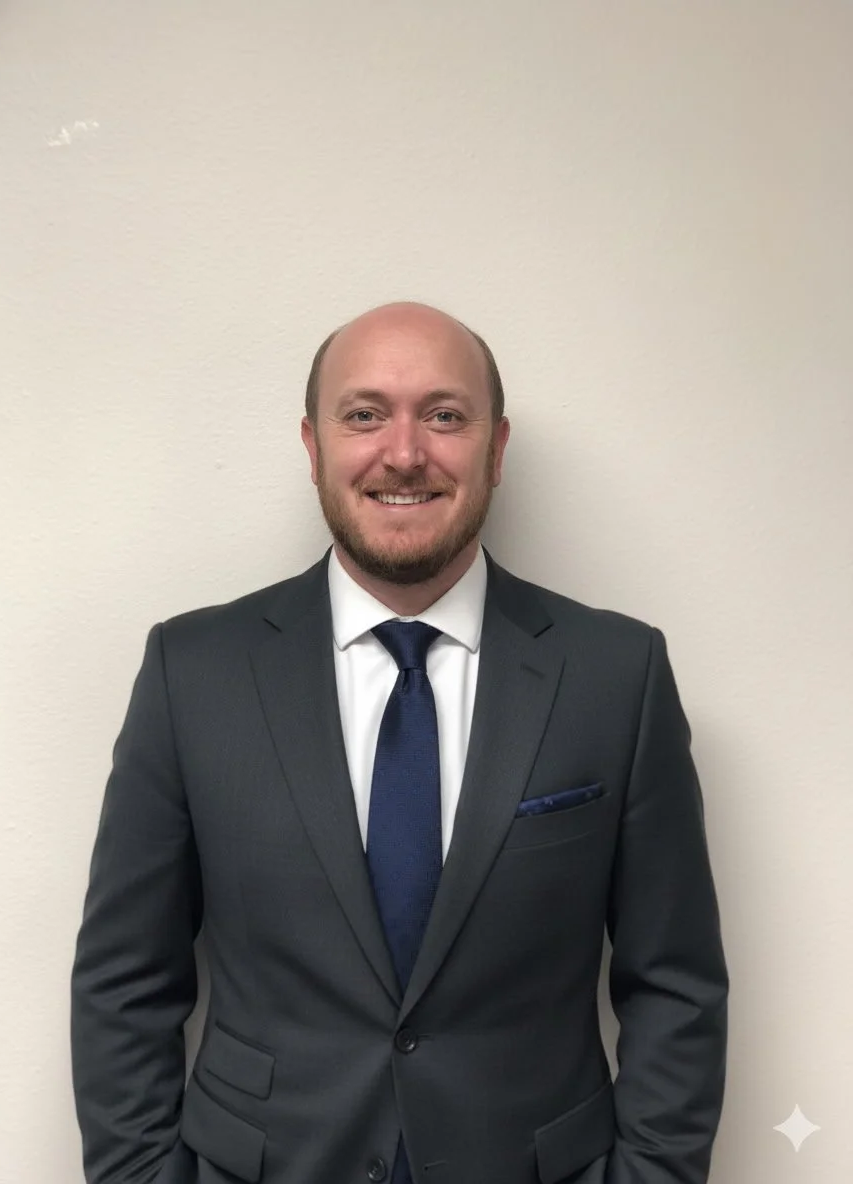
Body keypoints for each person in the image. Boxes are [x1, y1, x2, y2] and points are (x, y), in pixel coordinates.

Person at [71, 301, 729, 1184]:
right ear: (313, 447)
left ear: (496, 450)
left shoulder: (618, 674)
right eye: (365, 414)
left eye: (446, 416)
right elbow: (124, 985)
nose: (406, 452)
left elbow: (675, 986)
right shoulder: (191, 672)